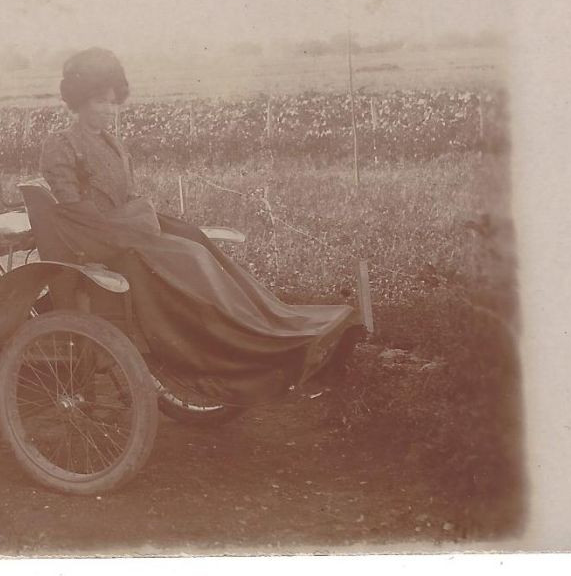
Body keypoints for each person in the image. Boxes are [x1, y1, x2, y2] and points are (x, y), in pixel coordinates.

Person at [37, 47, 359, 405]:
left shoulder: (112, 142)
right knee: (188, 258)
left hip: (129, 229)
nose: (109, 110)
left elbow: (127, 193)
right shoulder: (62, 144)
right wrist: (132, 223)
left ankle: (268, 329)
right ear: (79, 101)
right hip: (101, 240)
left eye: (114, 103)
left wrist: (139, 216)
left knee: (198, 245)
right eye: (100, 101)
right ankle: (238, 349)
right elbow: (74, 210)